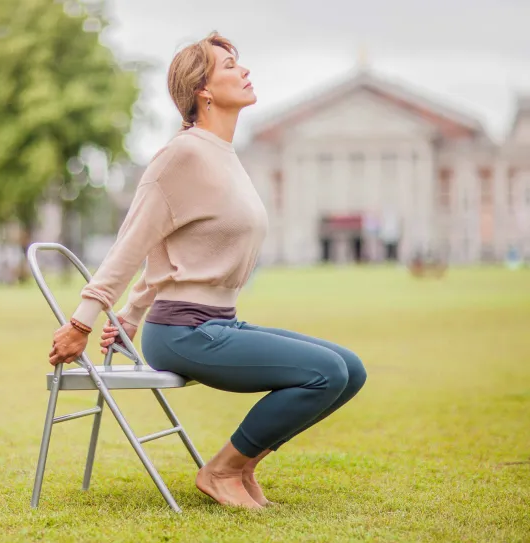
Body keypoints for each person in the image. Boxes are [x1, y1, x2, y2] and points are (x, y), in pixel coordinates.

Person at [49, 31, 367, 510]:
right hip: (183, 331)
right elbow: (133, 243)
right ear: (203, 90)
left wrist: (130, 316)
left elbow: (172, 251)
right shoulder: (182, 155)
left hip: (219, 321)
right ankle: (219, 470)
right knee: (323, 373)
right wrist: (82, 322)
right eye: (229, 65)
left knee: (351, 370)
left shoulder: (225, 157)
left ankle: (241, 465)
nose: (244, 70)